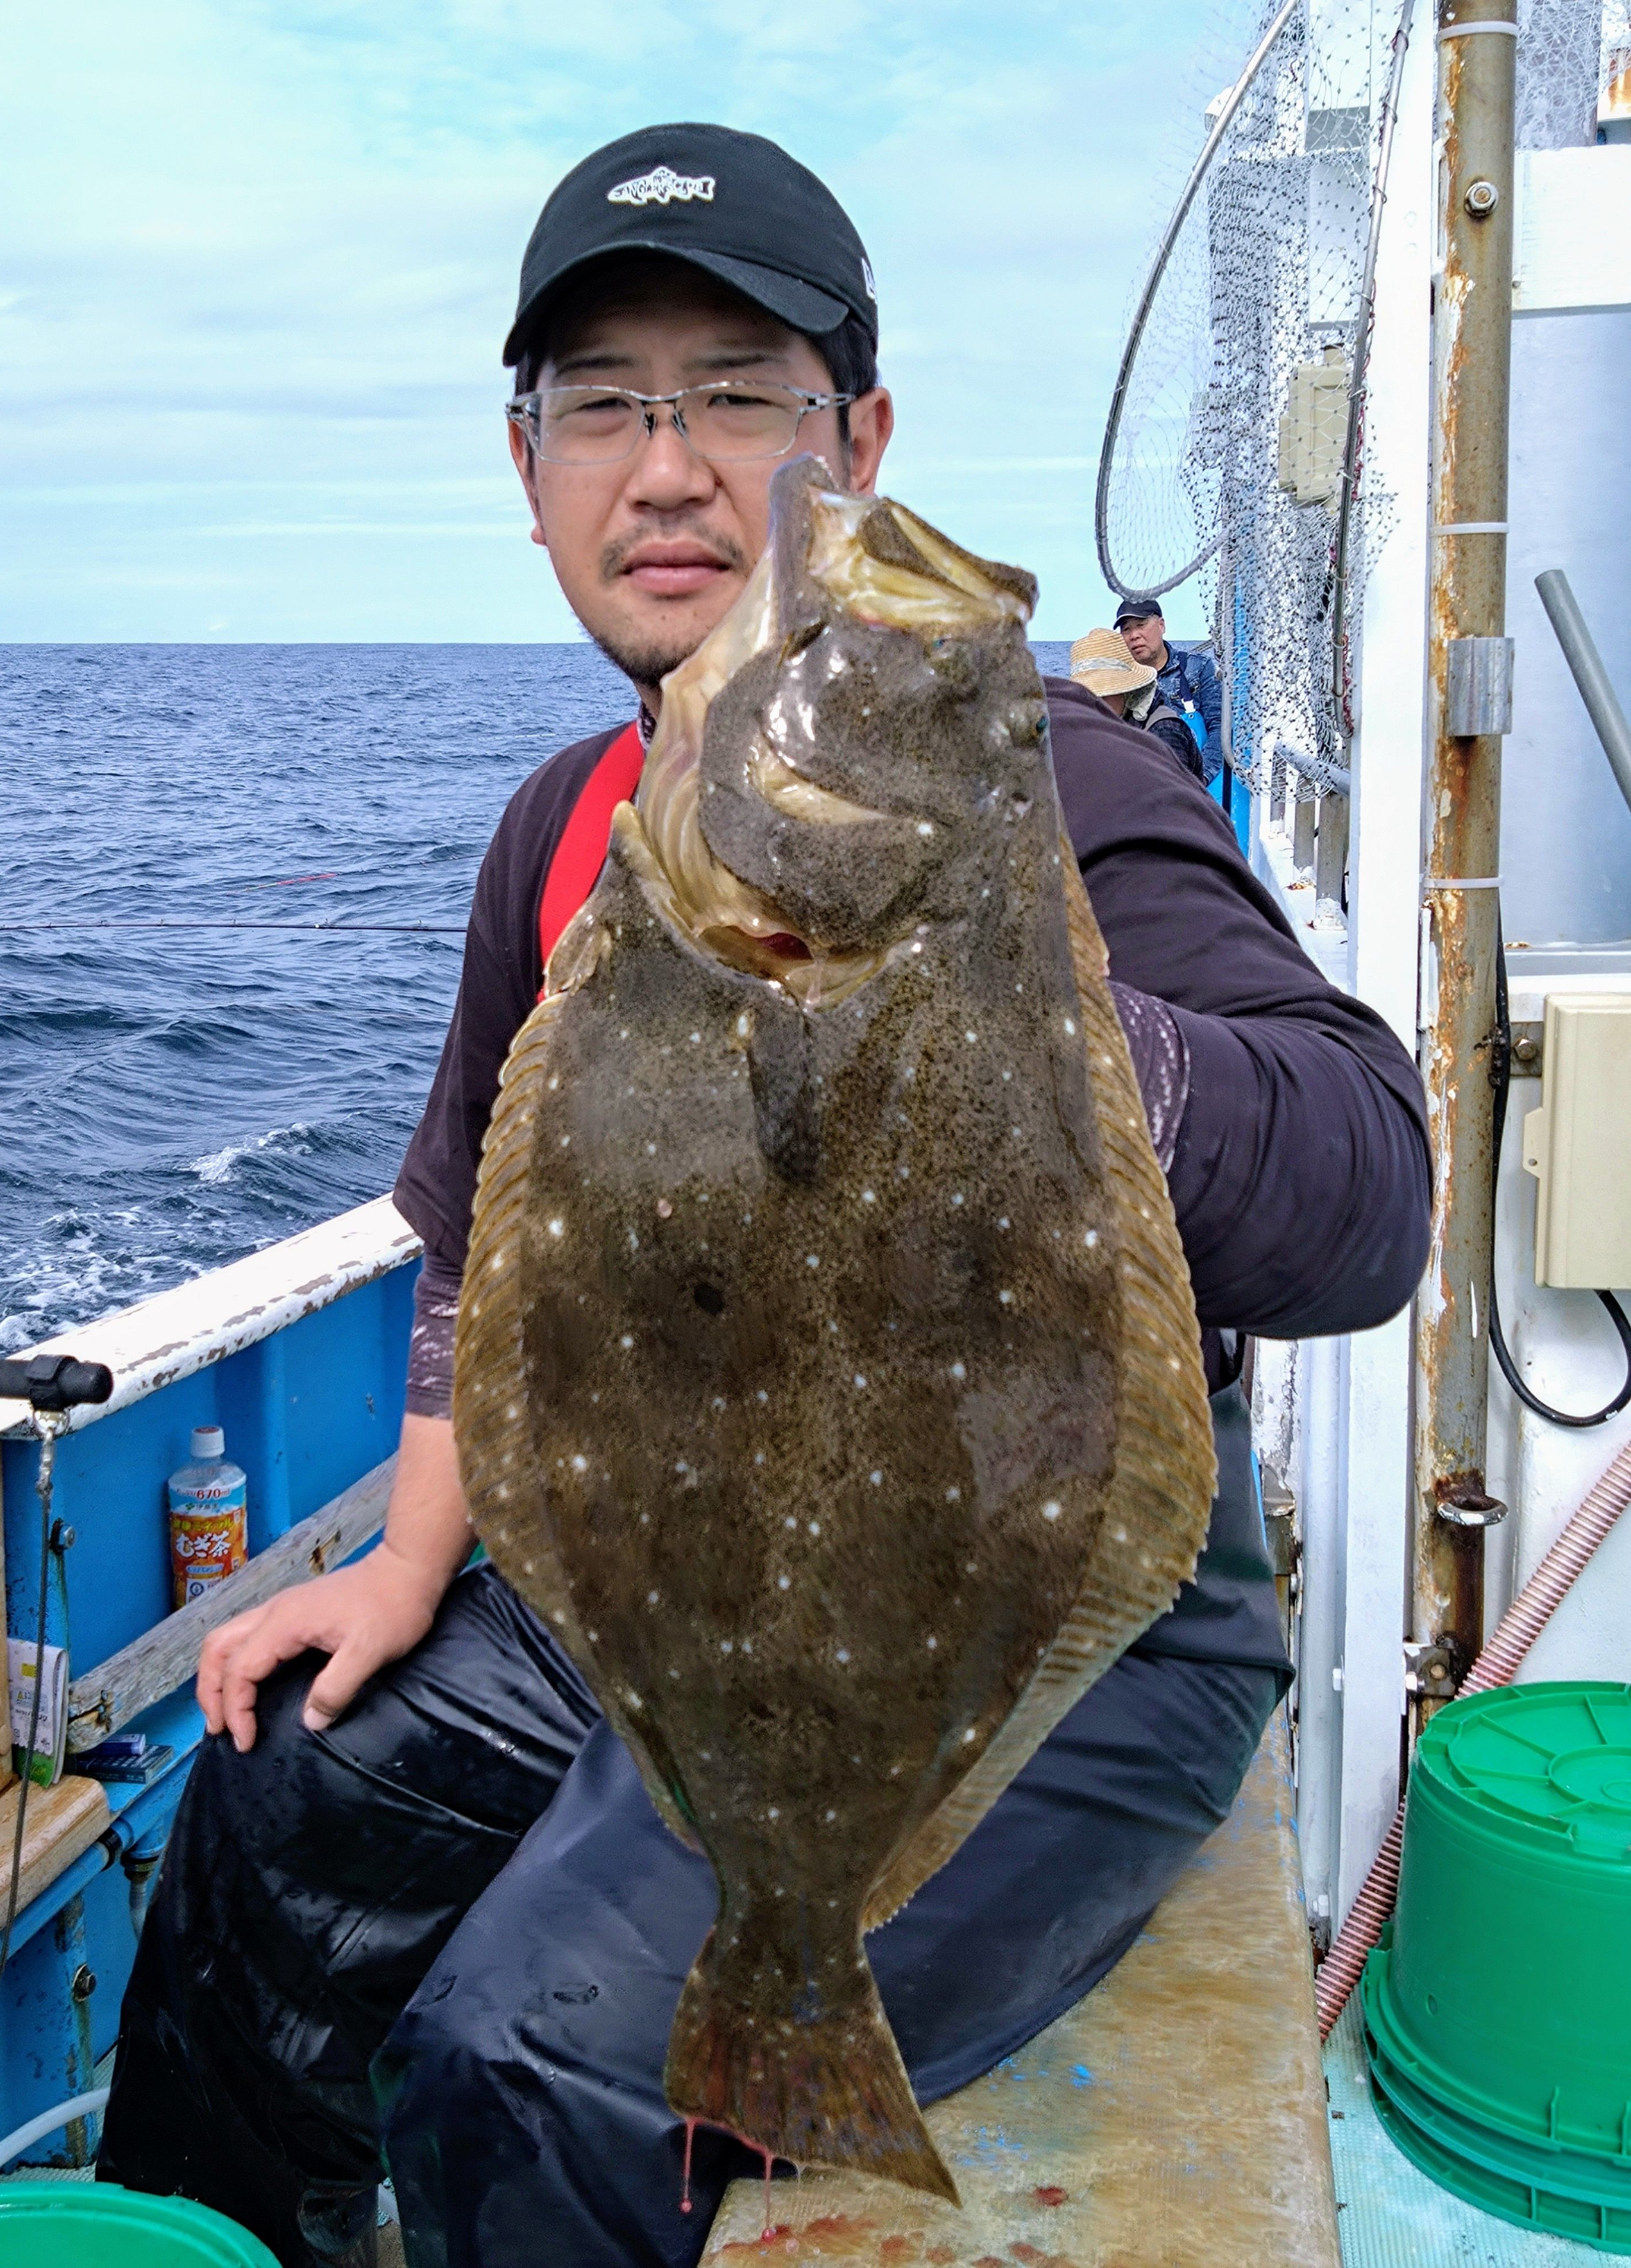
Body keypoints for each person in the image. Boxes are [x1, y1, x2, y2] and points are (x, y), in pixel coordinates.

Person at [98, 122, 1431, 2268]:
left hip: (1043, 1628)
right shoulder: (564, 826)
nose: (666, 468)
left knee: (529, 2055)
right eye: (603, 405)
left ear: (856, 445)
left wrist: (1028, 1037)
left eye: (736, 395)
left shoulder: (1035, 779)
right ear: (527, 464)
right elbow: (483, 1247)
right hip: (691, 1571)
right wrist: (409, 1559)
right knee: (271, 1790)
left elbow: (1368, 1188)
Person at [1115, 594, 1223, 784]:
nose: (1134, 636)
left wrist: (1200, 779)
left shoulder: (1198, 668)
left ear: (1161, 625)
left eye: (1141, 625)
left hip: (1201, 782)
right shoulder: (1118, 684)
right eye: (1126, 629)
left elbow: (1220, 728)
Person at [1069, 626, 1204, 778]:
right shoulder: (1112, 721)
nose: (1094, 703)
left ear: (1127, 689)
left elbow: (1172, 792)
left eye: (1103, 693)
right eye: (1086, 695)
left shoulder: (1164, 733)